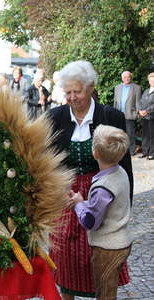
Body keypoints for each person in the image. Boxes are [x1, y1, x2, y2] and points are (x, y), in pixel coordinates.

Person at [47, 60, 133, 300]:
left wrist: (127, 206)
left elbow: (124, 164)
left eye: (78, 91)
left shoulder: (111, 115)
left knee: (100, 254)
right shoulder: (55, 117)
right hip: (67, 196)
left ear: (91, 87)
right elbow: (48, 160)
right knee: (66, 257)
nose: (72, 97)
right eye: (68, 92)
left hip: (101, 193)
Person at [69, 124, 132, 300]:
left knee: (105, 293)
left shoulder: (103, 187)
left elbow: (91, 221)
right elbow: (107, 206)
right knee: (109, 289)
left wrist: (79, 204)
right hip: (122, 242)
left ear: (95, 153)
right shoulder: (120, 172)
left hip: (107, 248)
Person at [113, 71, 141, 156]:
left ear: (130, 77)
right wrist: (114, 112)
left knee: (130, 134)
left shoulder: (137, 87)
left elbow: (138, 102)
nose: (126, 78)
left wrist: (137, 112)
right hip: (119, 114)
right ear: (122, 78)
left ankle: (131, 151)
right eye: (124, 77)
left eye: (128, 77)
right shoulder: (117, 87)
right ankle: (120, 150)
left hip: (130, 114)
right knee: (119, 134)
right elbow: (115, 102)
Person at [138, 72, 154, 160]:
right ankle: (145, 152)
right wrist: (140, 110)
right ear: (149, 81)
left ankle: (152, 153)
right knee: (145, 135)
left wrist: (147, 111)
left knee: (152, 136)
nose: (152, 82)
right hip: (144, 117)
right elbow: (141, 101)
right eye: (151, 81)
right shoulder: (146, 91)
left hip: (152, 117)